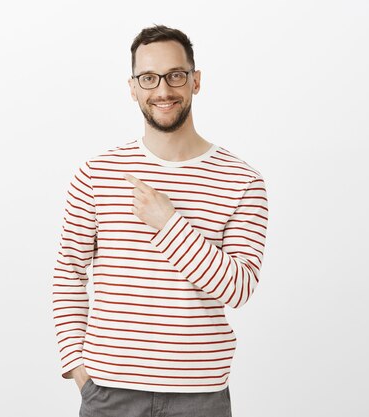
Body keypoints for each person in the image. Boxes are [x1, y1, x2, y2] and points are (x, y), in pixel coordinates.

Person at [52, 24, 269, 417]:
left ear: (195, 81)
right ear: (133, 87)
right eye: (149, 78)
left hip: (200, 396)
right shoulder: (97, 173)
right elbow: (69, 271)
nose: (163, 90)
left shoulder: (242, 180)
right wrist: (77, 367)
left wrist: (168, 223)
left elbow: (238, 289)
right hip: (109, 392)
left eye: (175, 75)